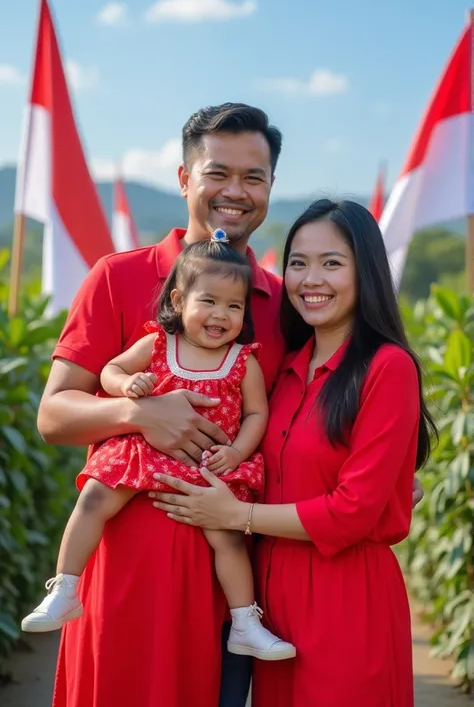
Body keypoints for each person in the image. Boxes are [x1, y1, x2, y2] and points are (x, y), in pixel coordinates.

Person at [39, 103, 423, 707]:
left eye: (255, 177)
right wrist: (138, 413)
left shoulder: (281, 303)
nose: (235, 192)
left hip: (235, 589)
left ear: (271, 186)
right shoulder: (117, 277)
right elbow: (54, 416)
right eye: (218, 173)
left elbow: (318, 412)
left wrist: (392, 474)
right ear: (185, 177)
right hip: (128, 582)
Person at [149, 199, 436, 707]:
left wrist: (237, 515)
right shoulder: (282, 371)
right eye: (298, 263)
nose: (310, 279)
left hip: (346, 597)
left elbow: (354, 509)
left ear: (364, 270)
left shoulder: (387, 368)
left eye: (332, 263)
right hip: (271, 607)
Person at [24, 235, 295, 661]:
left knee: (226, 538)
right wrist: (127, 387)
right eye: (208, 301)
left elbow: (256, 415)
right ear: (179, 299)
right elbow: (111, 369)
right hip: (142, 451)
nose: (221, 315)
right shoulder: (157, 344)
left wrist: (238, 453)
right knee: (94, 496)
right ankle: (65, 587)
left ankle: (245, 621)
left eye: (234, 306)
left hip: (207, 465)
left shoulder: (244, 361)